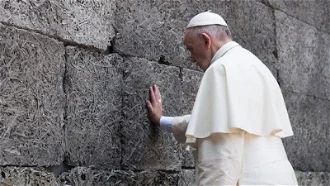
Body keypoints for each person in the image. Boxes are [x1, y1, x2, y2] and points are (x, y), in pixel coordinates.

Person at [146, 11, 298, 185]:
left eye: (191, 49)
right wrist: (160, 120)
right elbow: (214, 123)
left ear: (206, 40)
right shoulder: (257, 66)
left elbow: (220, 157)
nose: (192, 59)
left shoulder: (220, 69)